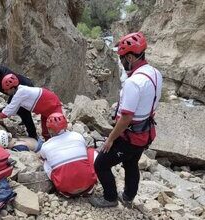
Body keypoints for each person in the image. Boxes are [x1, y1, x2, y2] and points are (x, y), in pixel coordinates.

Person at [89, 32, 163, 208]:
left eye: (122, 58)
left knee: (100, 164)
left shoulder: (134, 82)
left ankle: (110, 198)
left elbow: (126, 117)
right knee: (131, 163)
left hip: (131, 136)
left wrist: (110, 139)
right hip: (145, 132)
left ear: (130, 57)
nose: (121, 62)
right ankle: (128, 197)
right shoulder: (155, 73)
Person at [0, 74, 63, 141]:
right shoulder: (20, 90)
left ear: (12, 88)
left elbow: (11, 108)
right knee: (46, 131)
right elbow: (13, 109)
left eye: (6, 90)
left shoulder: (20, 93)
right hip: (46, 106)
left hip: (52, 105)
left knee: (58, 127)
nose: (6, 92)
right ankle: (49, 145)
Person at [39, 113, 98, 197]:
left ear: (49, 129)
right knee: (90, 151)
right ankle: (89, 186)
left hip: (66, 190)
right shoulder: (77, 135)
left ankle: (63, 188)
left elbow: (42, 157)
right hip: (88, 185)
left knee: (45, 161)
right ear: (66, 125)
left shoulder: (45, 146)